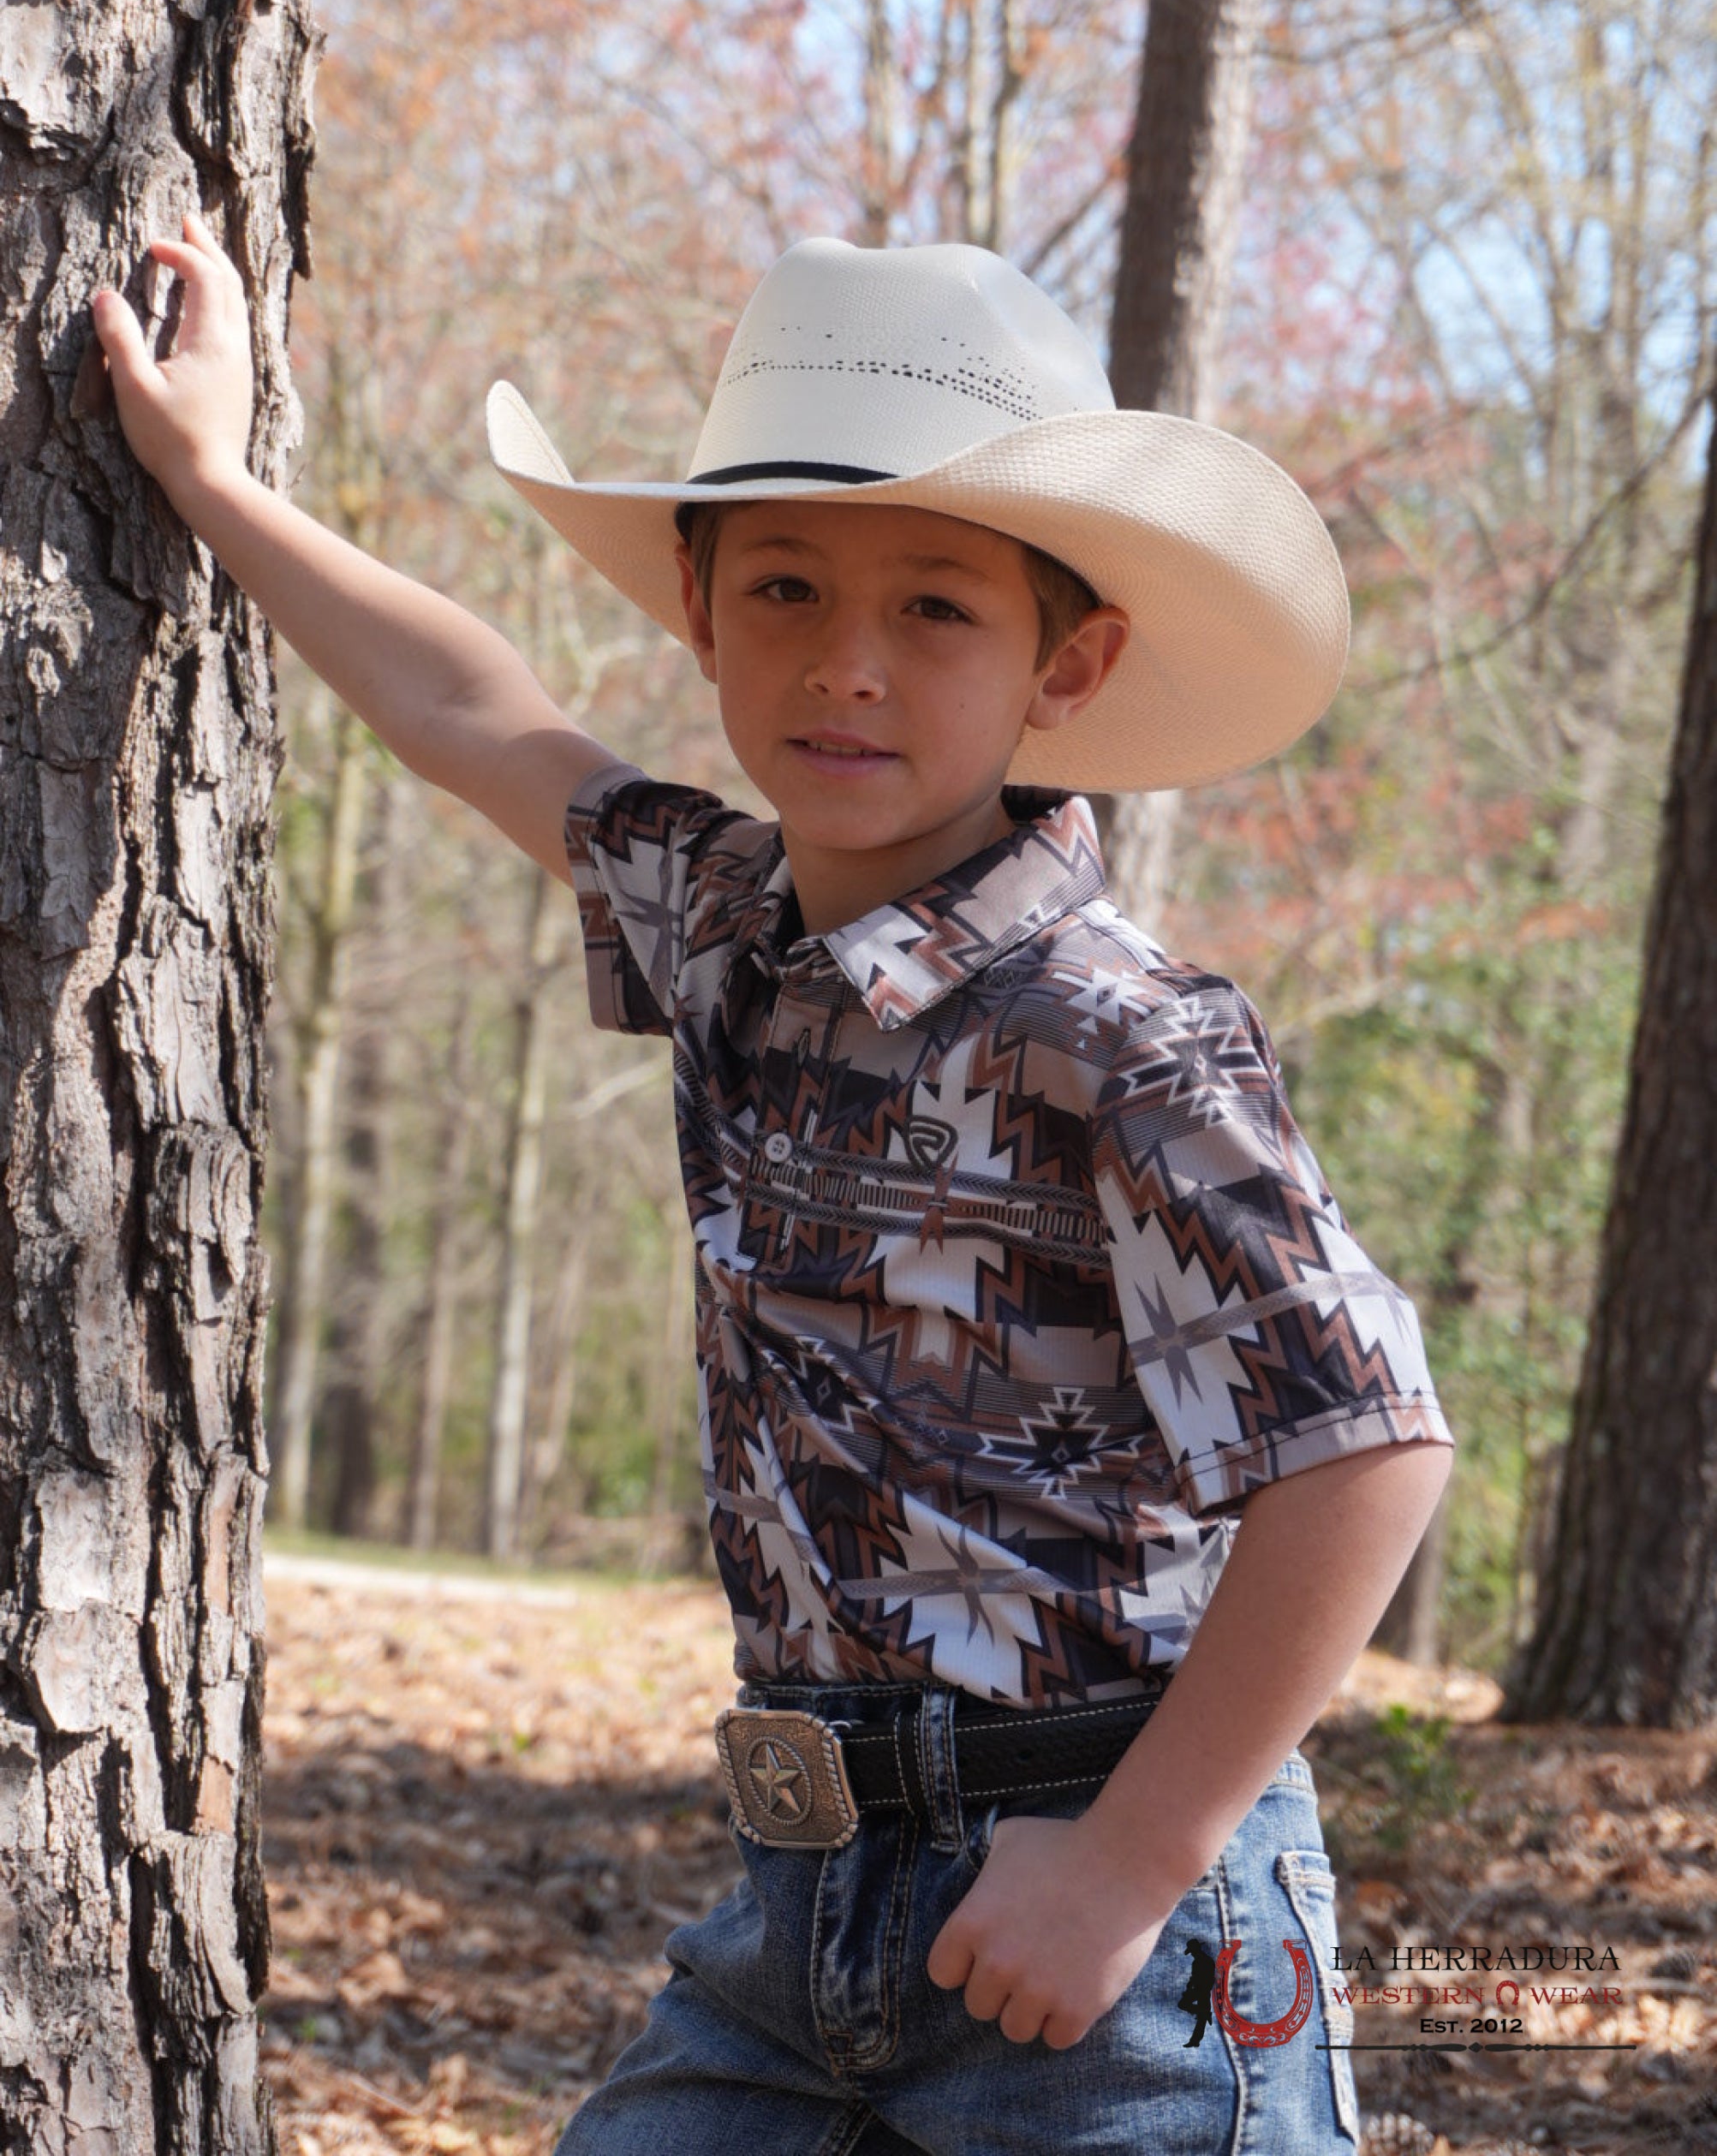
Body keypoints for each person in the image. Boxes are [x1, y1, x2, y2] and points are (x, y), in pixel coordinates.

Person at [93, 218, 1454, 2156]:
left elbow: (1368, 1452)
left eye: (937, 614)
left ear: (1066, 663)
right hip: (795, 1898)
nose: (846, 664)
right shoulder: (725, 923)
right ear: (698, 603)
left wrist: (1132, 1863)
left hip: (1117, 1920)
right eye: (790, 588)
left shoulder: (1112, 1029)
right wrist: (213, 484)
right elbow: (476, 716)